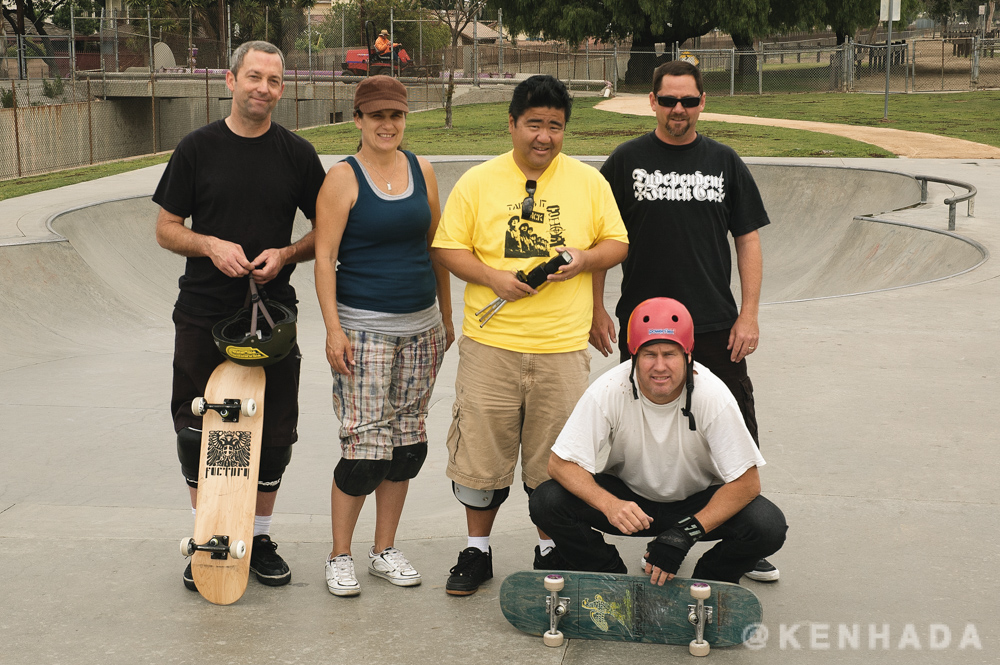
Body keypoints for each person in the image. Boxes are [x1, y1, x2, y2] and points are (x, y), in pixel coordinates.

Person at [431, 75, 629, 596]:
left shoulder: (588, 183)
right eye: (534, 124)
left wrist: (585, 259)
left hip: (561, 348)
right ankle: (477, 550)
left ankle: (549, 546)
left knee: (553, 458)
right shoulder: (479, 181)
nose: (544, 136)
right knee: (480, 454)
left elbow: (617, 243)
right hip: (491, 343)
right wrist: (493, 277)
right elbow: (447, 248)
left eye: (555, 126)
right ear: (513, 124)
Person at [593, 60, 778, 581]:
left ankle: (739, 533)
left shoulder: (723, 161)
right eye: (669, 100)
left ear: (703, 103)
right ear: (652, 101)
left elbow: (748, 239)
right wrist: (595, 307)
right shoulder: (627, 162)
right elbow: (601, 243)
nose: (679, 110)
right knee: (646, 424)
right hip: (643, 327)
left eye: (689, 101)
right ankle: (649, 519)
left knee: (734, 424)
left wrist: (750, 314)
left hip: (716, 323)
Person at [154, 40, 327, 592]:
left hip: (272, 315)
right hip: (203, 312)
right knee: (196, 428)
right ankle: (210, 534)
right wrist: (208, 245)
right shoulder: (197, 148)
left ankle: (260, 536)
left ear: (282, 87)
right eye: (253, 77)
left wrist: (288, 253)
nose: (263, 89)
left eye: (273, 81)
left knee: (274, 429)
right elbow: (166, 228)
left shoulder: (297, 154)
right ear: (230, 81)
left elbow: (329, 228)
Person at [530, 298, 787, 584]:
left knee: (767, 525)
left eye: (670, 354)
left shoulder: (713, 395)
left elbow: (748, 482)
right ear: (633, 356)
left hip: (697, 500)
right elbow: (560, 463)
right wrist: (609, 504)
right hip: (631, 499)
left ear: (688, 356)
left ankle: (709, 582)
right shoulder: (609, 388)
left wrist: (684, 534)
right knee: (547, 501)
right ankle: (610, 576)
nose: (660, 366)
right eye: (649, 354)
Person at [314, 76, 454, 597]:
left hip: (421, 328)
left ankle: (384, 549)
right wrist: (333, 329)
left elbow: (435, 245)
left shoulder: (422, 168)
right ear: (358, 120)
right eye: (376, 117)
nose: (387, 125)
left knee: (404, 446)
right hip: (363, 329)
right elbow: (325, 259)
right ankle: (339, 555)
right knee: (363, 449)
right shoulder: (342, 179)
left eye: (395, 115)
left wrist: (445, 313)